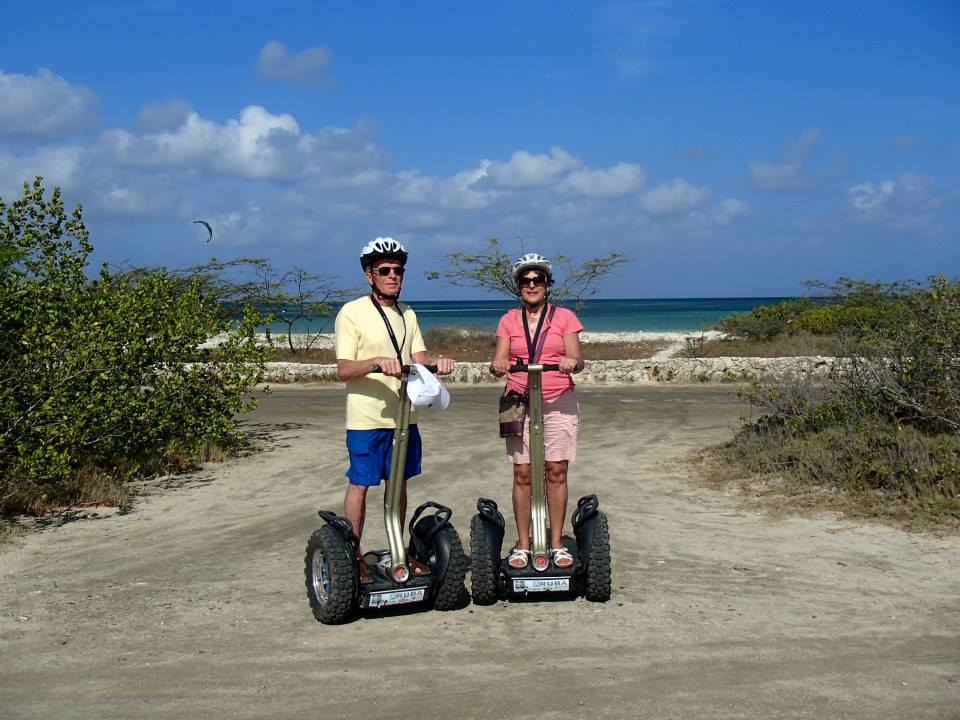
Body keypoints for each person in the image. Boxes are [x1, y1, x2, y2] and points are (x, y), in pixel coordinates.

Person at [335, 237, 454, 584]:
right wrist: (375, 363)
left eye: (398, 270)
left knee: (398, 484)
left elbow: (419, 363)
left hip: (404, 417)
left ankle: (398, 551)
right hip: (367, 418)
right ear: (369, 276)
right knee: (361, 484)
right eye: (384, 270)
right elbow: (344, 369)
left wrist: (438, 364)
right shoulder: (352, 312)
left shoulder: (408, 314)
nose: (392, 275)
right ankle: (353, 556)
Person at [490, 253, 584, 570]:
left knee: (556, 470)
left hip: (557, 398)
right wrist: (499, 364)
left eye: (538, 280)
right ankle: (523, 544)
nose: (532, 285)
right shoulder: (508, 320)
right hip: (517, 398)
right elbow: (499, 359)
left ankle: (556, 543)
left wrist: (572, 362)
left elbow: (576, 357)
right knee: (522, 473)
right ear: (519, 286)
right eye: (526, 280)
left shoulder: (565, 318)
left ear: (547, 285)